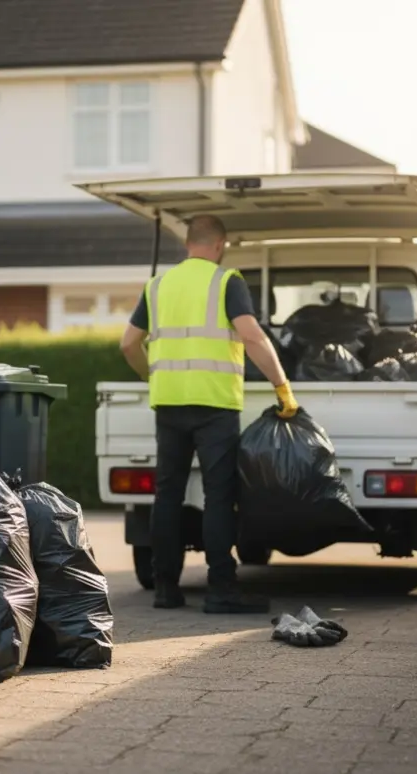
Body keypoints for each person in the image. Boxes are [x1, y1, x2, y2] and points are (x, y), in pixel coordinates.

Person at [119, 214, 299, 614]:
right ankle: (220, 590)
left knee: (167, 494)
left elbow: (129, 344)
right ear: (220, 245)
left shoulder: (159, 285)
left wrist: (154, 376)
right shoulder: (226, 281)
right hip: (215, 404)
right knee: (219, 496)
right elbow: (251, 335)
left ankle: (166, 588)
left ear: (188, 244)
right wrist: (282, 388)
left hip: (168, 403)